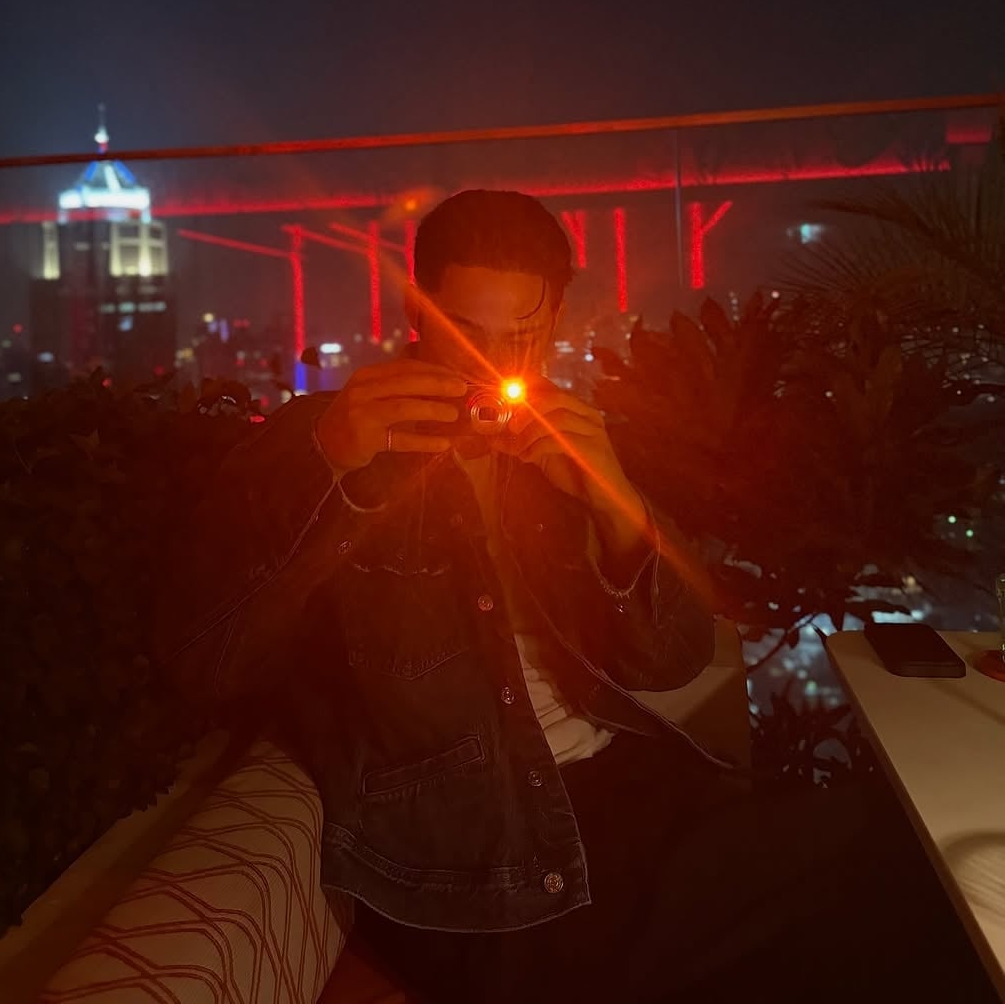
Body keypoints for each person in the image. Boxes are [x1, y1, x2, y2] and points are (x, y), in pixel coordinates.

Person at [159, 190, 994, 1003]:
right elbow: (208, 664)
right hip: (478, 865)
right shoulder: (329, 441)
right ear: (419, 312)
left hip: (630, 793)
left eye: (519, 337)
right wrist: (330, 466)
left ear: (555, 318)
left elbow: (674, 662)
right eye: (466, 333)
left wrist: (615, 506)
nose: (491, 365)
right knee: (896, 878)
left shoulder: (558, 444)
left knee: (915, 877)